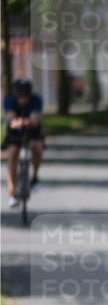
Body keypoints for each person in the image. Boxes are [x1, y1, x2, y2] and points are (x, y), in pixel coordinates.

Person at [3, 78, 45, 208]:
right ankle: (12, 194)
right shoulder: (9, 100)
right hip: (14, 133)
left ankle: (35, 178)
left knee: (37, 147)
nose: (22, 97)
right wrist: (18, 121)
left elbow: (35, 119)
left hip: (32, 131)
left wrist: (24, 121)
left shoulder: (36, 99)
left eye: (25, 94)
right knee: (12, 155)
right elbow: (11, 119)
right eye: (20, 94)